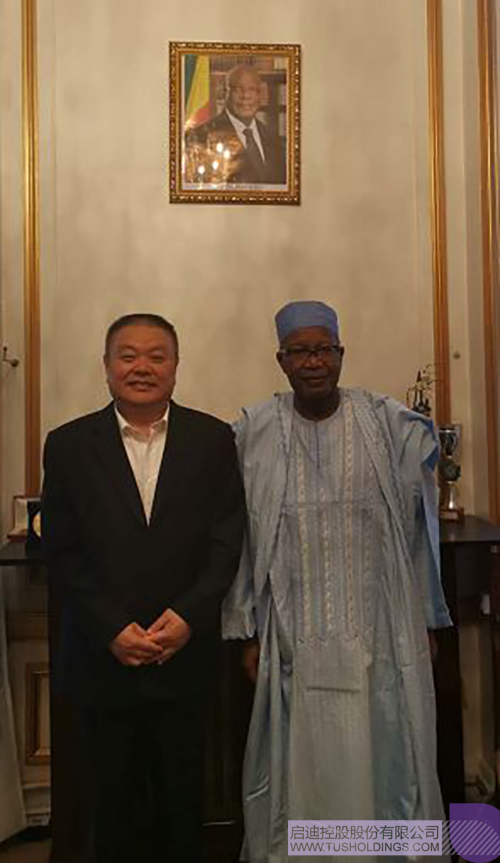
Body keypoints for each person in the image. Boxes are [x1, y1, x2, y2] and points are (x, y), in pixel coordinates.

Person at [222, 301, 451, 863]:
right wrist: (247, 628)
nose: (313, 362)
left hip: (381, 632)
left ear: (341, 354)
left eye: (323, 349)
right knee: (302, 762)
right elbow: (242, 535)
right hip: (293, 637)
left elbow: (419, 524)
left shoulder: (384, 423)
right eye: (299, 352)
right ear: (281, 360)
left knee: (388, 754)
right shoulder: (256, 430)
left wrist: (426, 616)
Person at [42, 313, 245, 863]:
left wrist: (188, 617)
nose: (142, 367)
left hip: (185, 658)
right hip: (101, 662)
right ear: (106, 366)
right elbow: (62, 550)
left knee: (183, 808)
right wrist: (111, 628)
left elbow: (227, 540)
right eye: (128, 355)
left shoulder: (213, 439)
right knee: (110, 812)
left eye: (157, 356)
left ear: (175, 367)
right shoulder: (67, 445)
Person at [185, 65, 286, 185]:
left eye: (252, 90)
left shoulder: (272, 138)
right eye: (238, 89)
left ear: (261, 95)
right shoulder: (200, 136)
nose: (245, 96)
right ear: (224, 93)